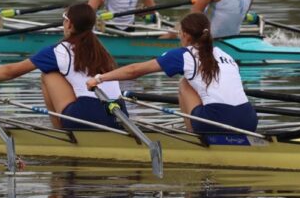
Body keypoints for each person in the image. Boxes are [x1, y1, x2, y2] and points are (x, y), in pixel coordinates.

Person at [0, 3, 127, 130]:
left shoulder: (58, 51)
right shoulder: (103, 51)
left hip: (86, 116)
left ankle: (59, 132)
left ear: (69, 25)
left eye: (64, 19)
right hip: (119, 116)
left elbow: (11, 71)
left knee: (48, 75)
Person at [86, 12, 257, 134]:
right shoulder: (225, 54)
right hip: (249, 120)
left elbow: (134, 71)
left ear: (185, 35)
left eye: (180, 34)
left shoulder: (184, 54)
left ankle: (193, 135)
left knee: (184, 82)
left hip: (215, 120)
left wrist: (100, 78)